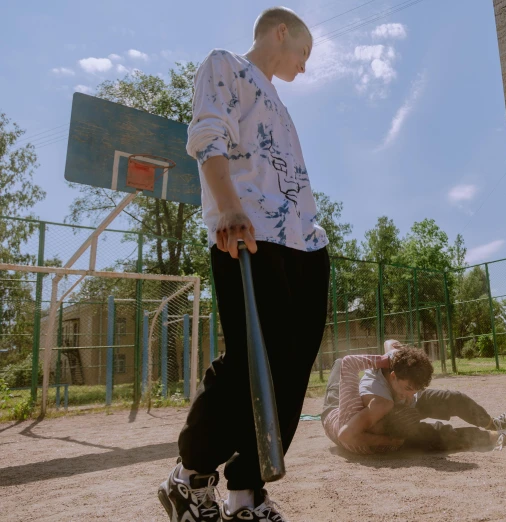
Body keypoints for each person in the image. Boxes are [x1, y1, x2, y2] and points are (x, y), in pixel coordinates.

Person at [158, 7, 327, 522]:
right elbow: (207, 135)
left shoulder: (275, 97)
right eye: (304, 52)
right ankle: (189, 477)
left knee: (293, 368)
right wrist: (228, 206)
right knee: (254, 361)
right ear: (281, 33)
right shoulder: (225, 64)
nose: (304, 66)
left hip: (305, 242)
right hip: (249, 231)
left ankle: (246, 494)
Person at [322, 341, 506, 455]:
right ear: (393, 376)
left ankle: (495, 424)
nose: (411, 394)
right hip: (371, 416)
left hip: (391, 409)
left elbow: (390, 342)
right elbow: (346, 435)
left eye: (415, 389)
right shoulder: (380, 401)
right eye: (408, 388)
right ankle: (498, 436)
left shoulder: (405, 381)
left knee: (453, 398)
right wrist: (389, 441)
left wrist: (393, 353)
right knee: (435, 434)